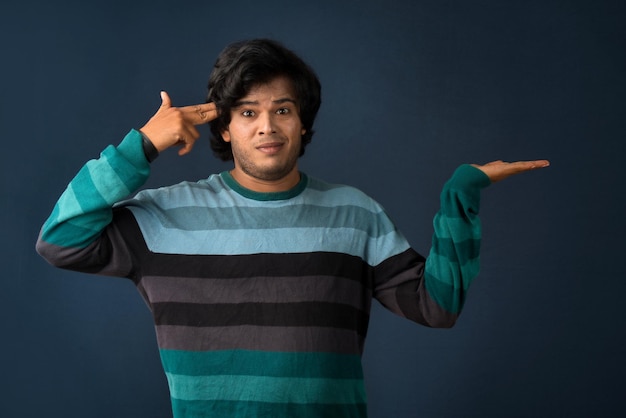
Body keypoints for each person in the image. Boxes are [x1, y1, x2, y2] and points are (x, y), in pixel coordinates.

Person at [36, 38, 549, 418]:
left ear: (303, 123)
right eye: (247, 112)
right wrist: (141, 145)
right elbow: (60, 241)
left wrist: (460, 195)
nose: (266, 126)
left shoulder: (355, 213)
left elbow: (436, 307)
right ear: (223, 126)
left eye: (282, 110)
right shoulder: (165, 216)